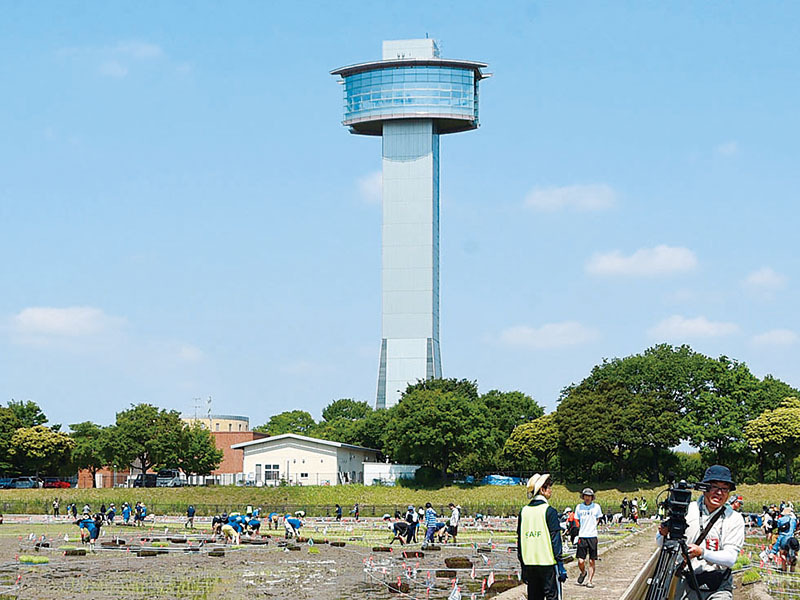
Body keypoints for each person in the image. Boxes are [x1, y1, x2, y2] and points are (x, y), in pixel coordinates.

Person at [657, 464, 745, 600]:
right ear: (704, 488)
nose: (719, 493)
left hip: (718, 584)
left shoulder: (734, 518)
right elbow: (660, 543)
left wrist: (702, 552)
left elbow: (730, 559)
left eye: (724, 489)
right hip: (685, 581)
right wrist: (663, 534)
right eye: (714, 487)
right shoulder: (687, 510)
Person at [517, 473, 567, 600]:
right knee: (552, 597)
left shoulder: (523, 512)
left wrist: (523, 566)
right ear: (542, 490)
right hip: (548, 564)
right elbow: (555, 539)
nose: (551, 490)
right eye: (549, 487)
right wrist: (560, 564)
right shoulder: (549, 511)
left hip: (530, 564)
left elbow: (520, 541)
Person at [574, 487, 603, 588]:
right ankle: (583, 572)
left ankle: (590, 580)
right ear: (583, 497)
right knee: (580, 560)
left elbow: (598, 518)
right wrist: (580, 528)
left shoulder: (596, 507)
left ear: (592, 497)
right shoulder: (579, 507)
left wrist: (593, 526)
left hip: (592, 536)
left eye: (589, 496)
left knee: (592, 560)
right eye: (586, 496)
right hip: (582, 535)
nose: (587, 498)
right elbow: (576, 519)